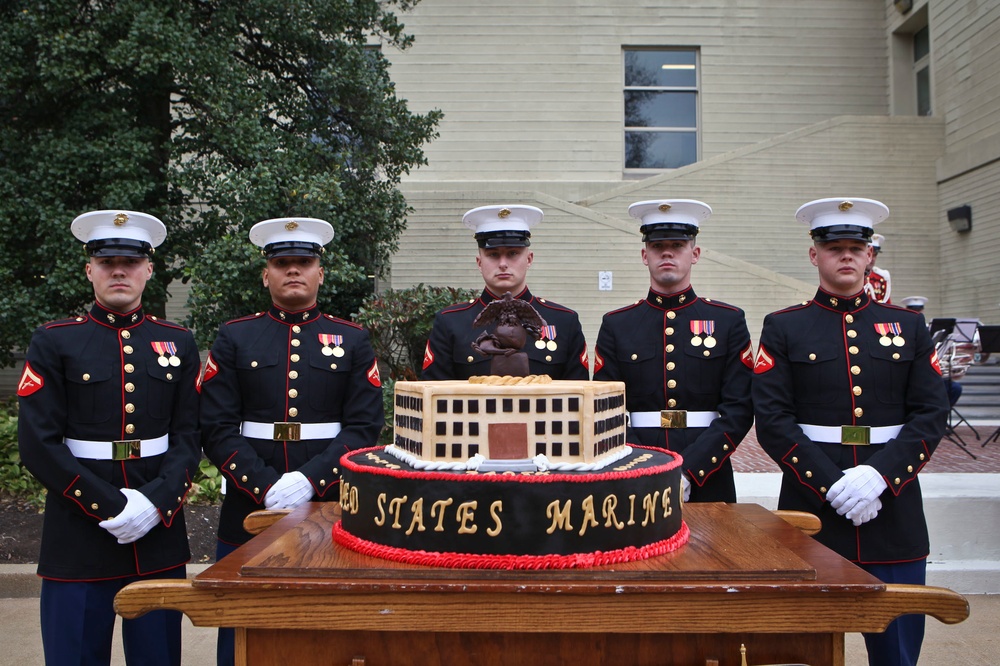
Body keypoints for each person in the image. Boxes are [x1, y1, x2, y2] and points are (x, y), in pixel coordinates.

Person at [752, 197, 949, 666]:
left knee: (897, 652)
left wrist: (879, 477)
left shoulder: (908, 326)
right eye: (833, 246)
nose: (845, 255)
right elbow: (774, 421)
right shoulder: (784, 327)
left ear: (870, 256)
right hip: (815, 510)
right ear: (814, 254)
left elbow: (930, 414)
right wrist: (831, 484)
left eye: (854, 248)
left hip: (893, 510)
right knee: (809, 649)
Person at [17, 210, 200, 666]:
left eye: (131, 261)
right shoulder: (55, 341)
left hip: (157, 534)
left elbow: (188, 436)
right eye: (107, 261)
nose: (119, 270)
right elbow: (39, 443)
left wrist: (154, 503)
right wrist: (113, 506)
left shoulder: (177, 342)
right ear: (90, 270)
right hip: (78, 531)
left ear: (149, 270)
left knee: (158, 658)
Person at [199, 217, 384, 666]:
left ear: (321, 272)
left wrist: (308, 480)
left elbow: (363, 428)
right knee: (243, 615)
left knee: (329, 620)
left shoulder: (353, 339)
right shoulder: (235, 337)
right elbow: (216, 426)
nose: (294, 270)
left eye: (304, 261)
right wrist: (264, 485)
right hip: (249, 502)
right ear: (267, 274)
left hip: (330, 503)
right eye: (283, 263)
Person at [593, 200, 754, 502]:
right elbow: (606, 410)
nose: (667, 252)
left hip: (710, 471)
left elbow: (739, 409)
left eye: (678, 244)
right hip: (637, 474)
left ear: (695, 254)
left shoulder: (727, 321)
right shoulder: (618, 324)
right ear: (645, 255)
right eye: (657, 246)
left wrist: (690, 471)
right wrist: (646, 467)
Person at [421, 204, 589, 380]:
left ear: (529, 259)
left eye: (513, 253)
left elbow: (580, 396)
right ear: (479, 263)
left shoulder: (564, 321)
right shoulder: (451, 323)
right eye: (493, 255)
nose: (502, 263)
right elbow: (434, 394)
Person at [864, 232, 892, 303]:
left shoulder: (881, 278)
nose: (872, 258)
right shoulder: (852, 275)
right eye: (869, 254)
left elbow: (887, 304)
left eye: (875, 255)